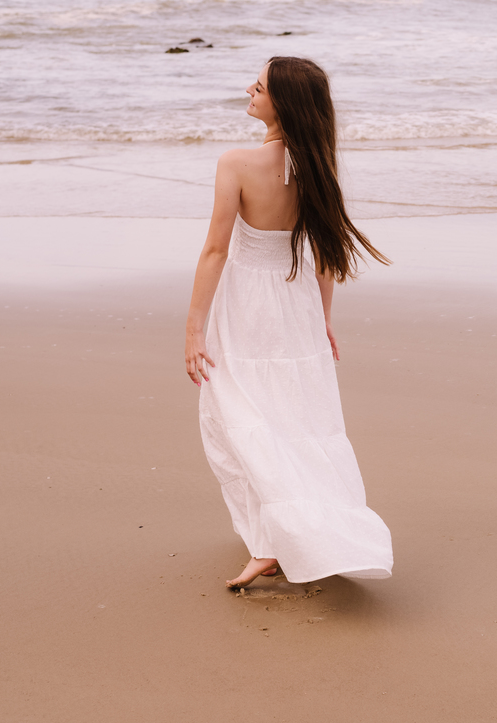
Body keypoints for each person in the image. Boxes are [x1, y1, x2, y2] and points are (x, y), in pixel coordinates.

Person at [184, 56, 393, 589]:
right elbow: (325, 255)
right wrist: (322, 320)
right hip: (296, 304)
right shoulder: (316, 166)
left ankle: (268, 544)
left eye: (259, 86)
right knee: (299, 422)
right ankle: (295, 534)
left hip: (247, 307)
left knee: (238, 419)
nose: (248, 90)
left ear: (283, 104)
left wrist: (192, 330)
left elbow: (214, 252)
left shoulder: (236, 164)